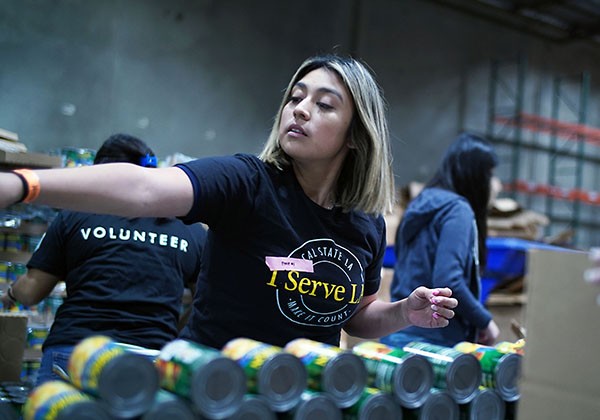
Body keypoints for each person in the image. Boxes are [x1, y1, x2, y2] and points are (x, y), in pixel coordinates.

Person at [0, 54, 457, 351]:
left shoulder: (366, 224)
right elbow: (144, 188)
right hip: (214, 390)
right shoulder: (247, 183)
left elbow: (356, 316)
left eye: (324, 104)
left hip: (302, 396)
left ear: (357, 135)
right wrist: (25, 185)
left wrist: (402, 313)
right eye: (295, 98)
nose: (299, 109)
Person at [1, 134, 206, 384]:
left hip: (76, 353)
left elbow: (31, 291)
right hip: (149, 359)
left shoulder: (75, 216)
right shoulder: (190, 229)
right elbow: (204, 300)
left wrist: (11, 294)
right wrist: (172, 332)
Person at [381, 132, 500, 349]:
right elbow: (449, 280)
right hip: (434, 346)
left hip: (397, 336)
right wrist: (485, 321)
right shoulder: (457, 211)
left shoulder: (421, 204)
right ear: (476, 175)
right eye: (491, 174)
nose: (496, 185)